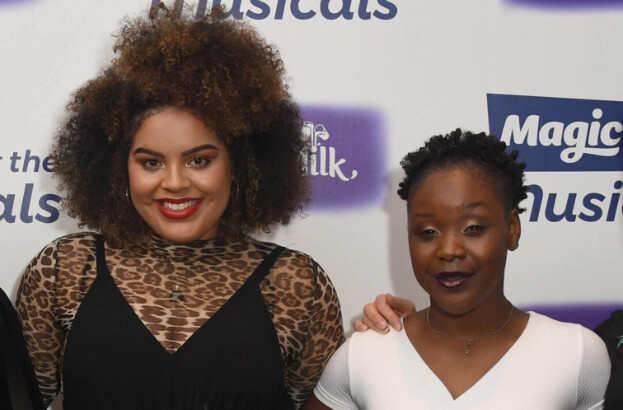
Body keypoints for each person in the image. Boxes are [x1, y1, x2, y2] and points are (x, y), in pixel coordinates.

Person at [15, 4, 343, 409]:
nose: (173, 183)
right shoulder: (65, 270)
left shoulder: (298, 286)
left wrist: (392, 335)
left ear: (240, 164)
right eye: (150, 162)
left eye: (199, 160)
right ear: (119, 168)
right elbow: (23, 398)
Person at [303, 129, 610, 409]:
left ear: (512, 228)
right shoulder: (364, 354)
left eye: (473, 227)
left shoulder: (577, 353)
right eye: (427, 232)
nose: (448, 250)